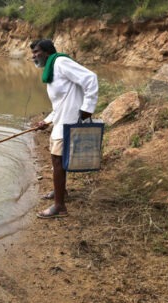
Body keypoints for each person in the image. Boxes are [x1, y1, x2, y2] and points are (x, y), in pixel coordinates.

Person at [30, 39, 98, 219]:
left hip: (70, 121)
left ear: (47, 52)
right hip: (60, 120)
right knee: (57, 160)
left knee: (57, 161)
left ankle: (60, 206)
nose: (34, 56)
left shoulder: (61, 62)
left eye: (37, 52)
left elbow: (90, 78)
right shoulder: (51, 70)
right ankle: (61, 191)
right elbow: (59, 104)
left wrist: (87, 108)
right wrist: (46, 121)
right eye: (33, 53)